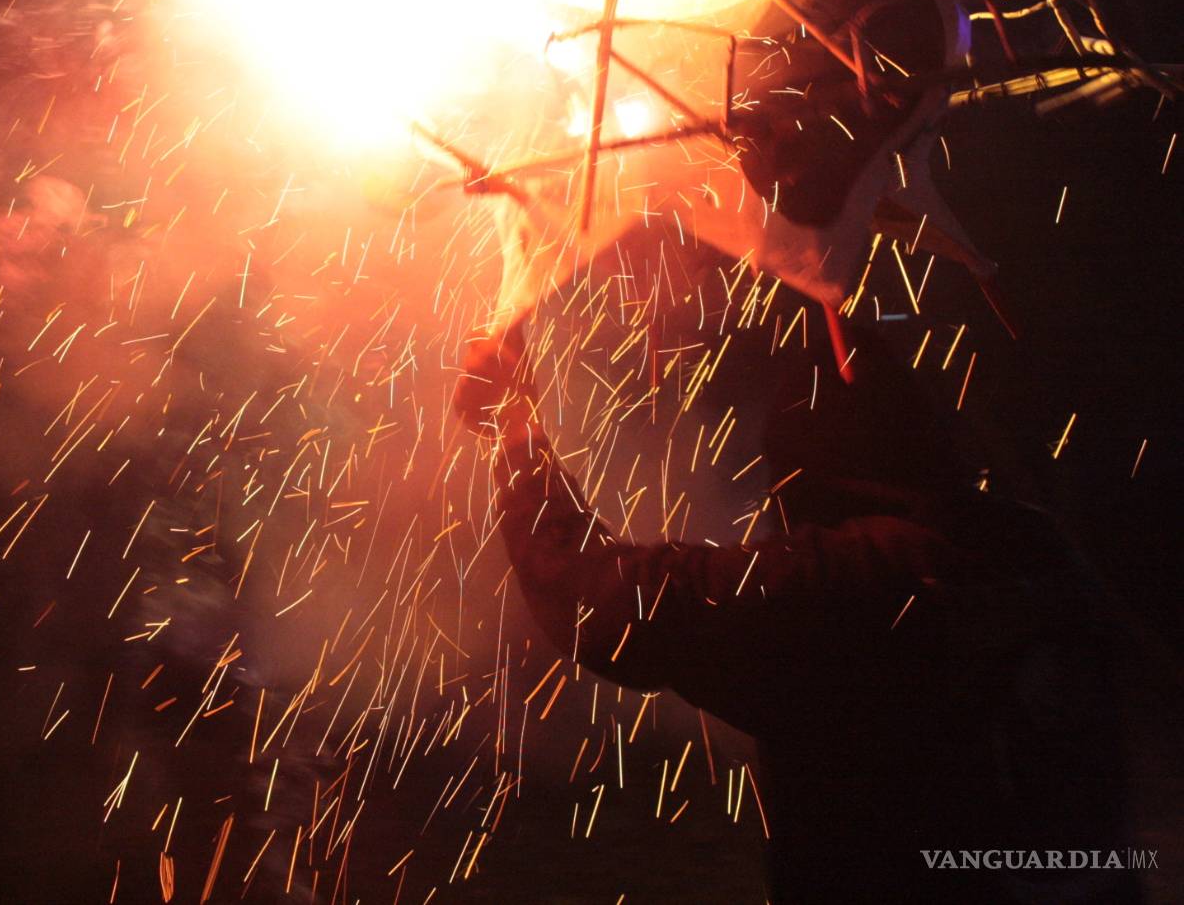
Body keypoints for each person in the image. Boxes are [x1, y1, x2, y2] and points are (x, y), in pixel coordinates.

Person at [454, 315, 1138, 904]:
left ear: (809, 464)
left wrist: (513, 426)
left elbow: (597, 595)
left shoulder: (853, 584)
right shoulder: (1040, 548)